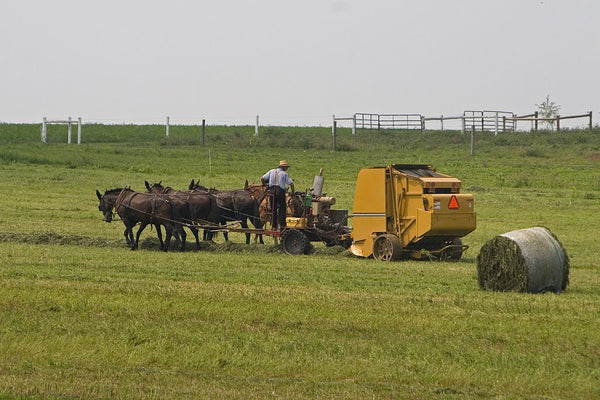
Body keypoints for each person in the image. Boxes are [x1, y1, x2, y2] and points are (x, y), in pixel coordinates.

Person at [261, 160, 294, 229]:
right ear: (283, 167)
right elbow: (291, 183)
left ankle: (274, 225)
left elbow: (262, 178)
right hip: (280, 191)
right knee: (282, 207)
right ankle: (282, 224)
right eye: (286, 167)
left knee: (273, 208)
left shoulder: (272, 171)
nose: (287, 169)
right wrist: (293, 192)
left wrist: (264, 184)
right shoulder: (284, 174)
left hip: (272, 191)